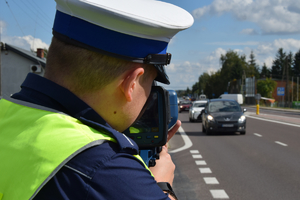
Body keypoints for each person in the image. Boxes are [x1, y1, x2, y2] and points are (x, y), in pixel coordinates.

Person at [0, 0, 193, 199]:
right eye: (150, 82)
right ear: (132, 83)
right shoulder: (107, 169)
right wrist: (163, 185)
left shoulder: (5, 113)